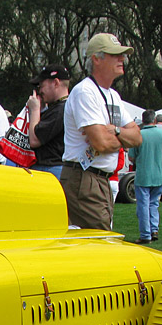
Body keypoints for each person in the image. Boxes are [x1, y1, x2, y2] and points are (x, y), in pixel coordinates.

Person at [61, 32, 142, 230]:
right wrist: (122, 137)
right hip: (85, 178)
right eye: (115, 54)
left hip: (98, 179)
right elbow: (101, 143)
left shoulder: (112, 95)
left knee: (97, 241)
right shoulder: (85, 92)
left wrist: (114, 130)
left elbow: (138, 137)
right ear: (96, 59)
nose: (122, 59)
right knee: (100, 240)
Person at [128, 109, 162, 244]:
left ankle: (145, 234)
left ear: (143, 120)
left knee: (143, 205)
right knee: (154, 203)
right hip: (159, 175)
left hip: (143, 175)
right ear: (154, 120)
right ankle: (154, 229)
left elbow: (131, 157)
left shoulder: (139, 135)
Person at [26, 64, 70, 179]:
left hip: (51, 169)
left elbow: (34, 140)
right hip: (53, 168)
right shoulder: (62, 107)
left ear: (55, 83)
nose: (39, 91)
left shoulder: (61, 109)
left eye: (41, 86)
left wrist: (34, 109)